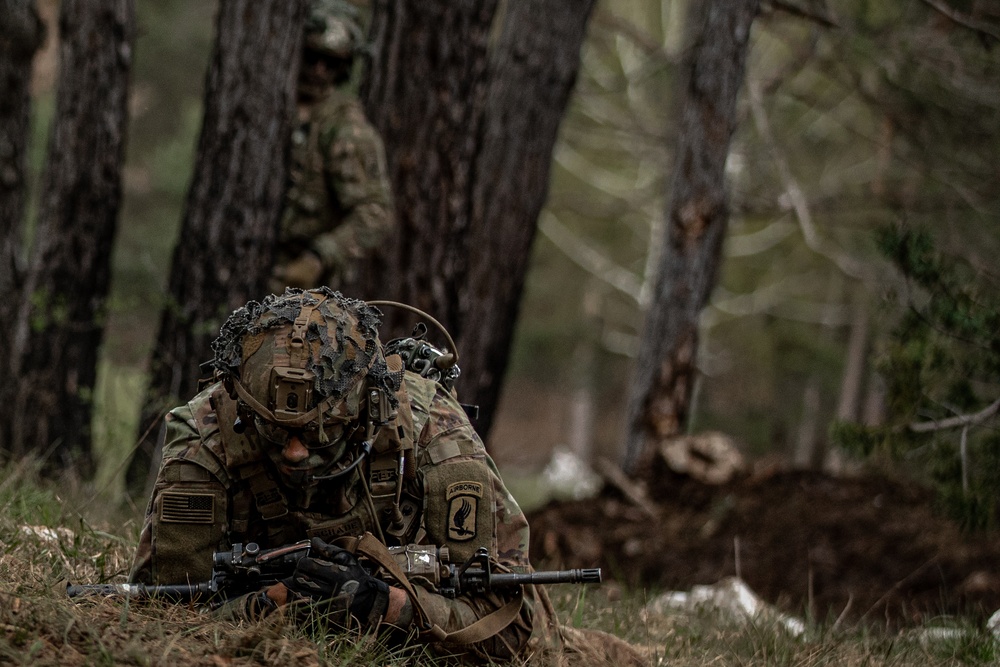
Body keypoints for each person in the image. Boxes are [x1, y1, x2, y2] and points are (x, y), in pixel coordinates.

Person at [129, 288, 533, 662]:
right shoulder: (207, 442)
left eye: (320, 431)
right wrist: (268, 606)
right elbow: (159, 615)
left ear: (369, 407)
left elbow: (510, 630)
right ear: (242, 404)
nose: (295, 452)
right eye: (274, 429)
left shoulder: (437, 439)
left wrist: (389, 606)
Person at [271, 0, 394, 292]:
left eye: (331, 63)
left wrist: (318, 258)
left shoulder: (344, 129)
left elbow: (375, 213)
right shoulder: (274, 106)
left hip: (300, 286)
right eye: (311, 57)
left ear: (344, 68)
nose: (318, 70)